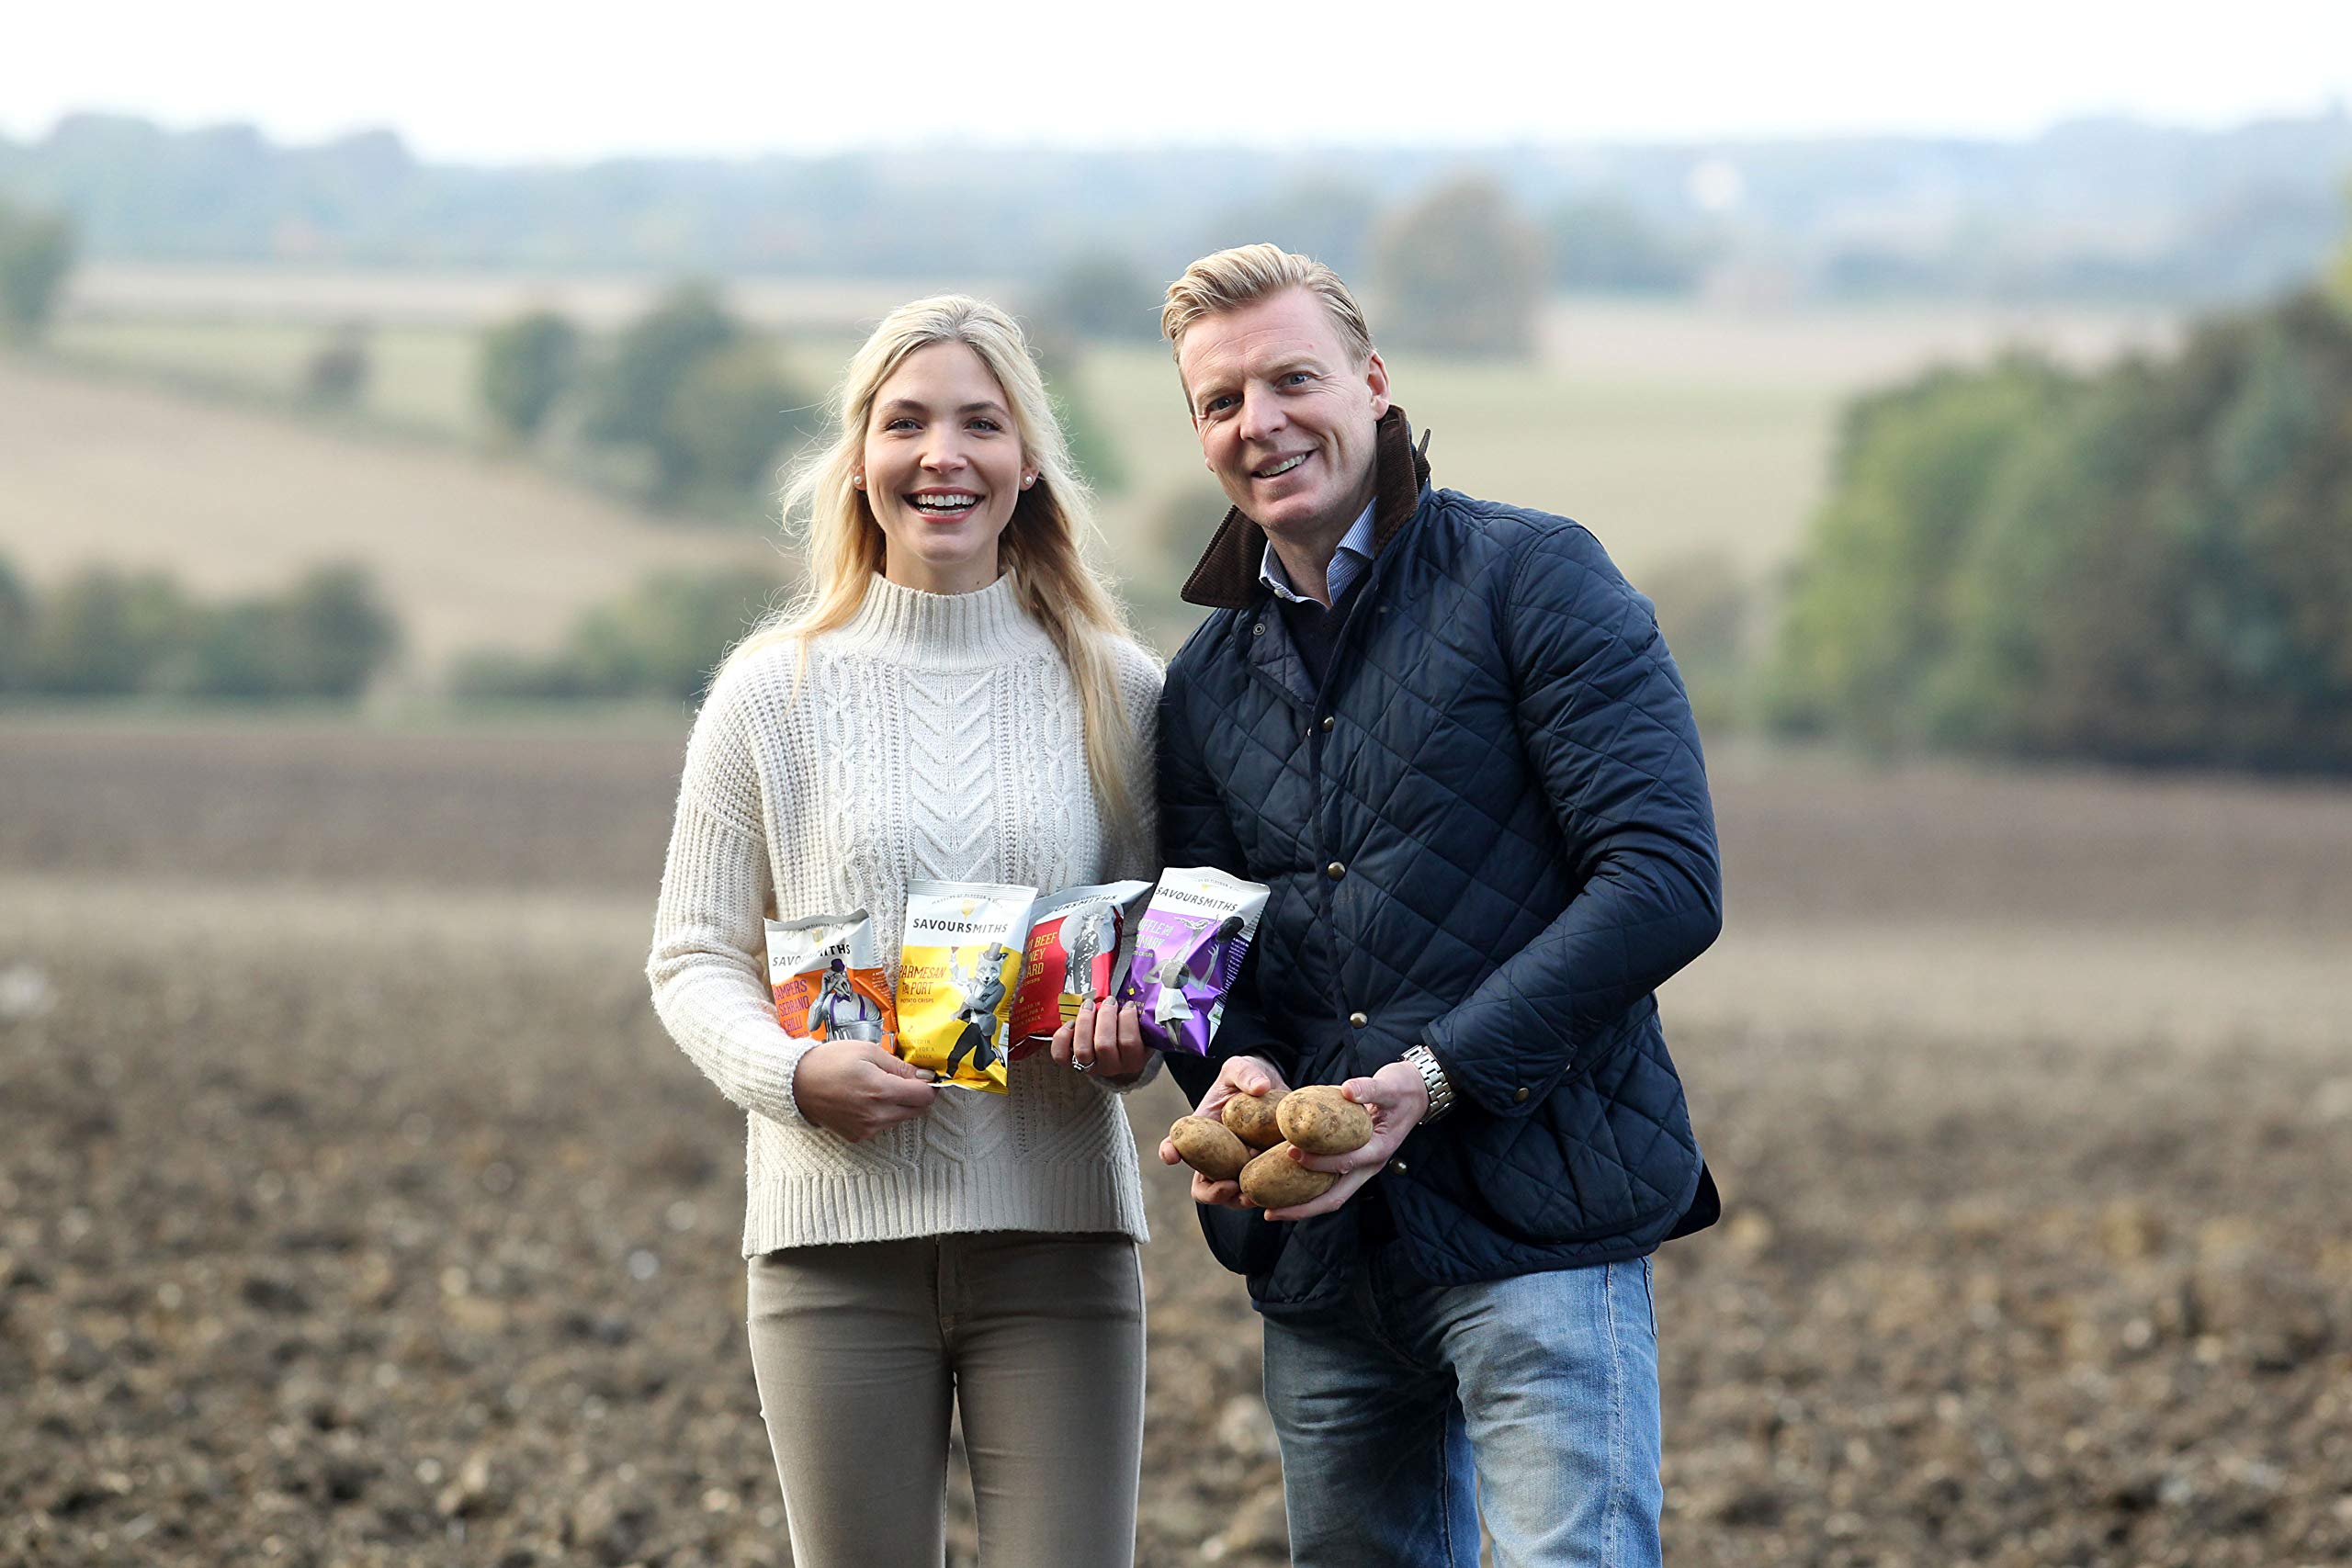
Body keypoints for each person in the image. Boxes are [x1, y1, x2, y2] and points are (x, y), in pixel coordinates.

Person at [1149, 244, 1724, 1568]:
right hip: (1327, 1272)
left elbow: (1663, 883)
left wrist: (1431, 1077)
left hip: (1539, 1230)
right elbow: (1195, 957)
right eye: (1223, 402)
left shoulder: (1535, 578)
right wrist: (1220, 1067)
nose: (1263, 422)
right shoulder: (1205, 682)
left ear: (1372, 380)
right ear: (1198, 432)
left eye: (1293, 378)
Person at [646, 295, 1162, 1568]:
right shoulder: (772, 691)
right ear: (859, 458)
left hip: (1059, 1242)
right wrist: (794, 1074)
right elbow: (691, 956)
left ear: (1029, 458)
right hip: (833, 1258)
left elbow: (1161, 959)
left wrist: (1133, 1040)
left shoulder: (1121, 688)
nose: (945, 454)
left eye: (981, 422)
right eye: (907, 421)